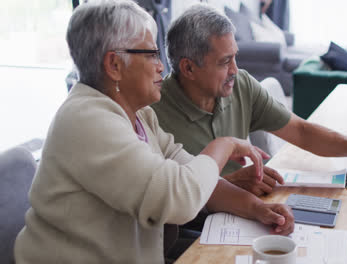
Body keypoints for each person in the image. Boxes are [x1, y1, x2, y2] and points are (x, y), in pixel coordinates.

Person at [14, 1, 294, 263]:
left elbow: (195, 179)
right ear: (114, 65)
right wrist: (224, 145)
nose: (162, 66)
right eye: (151, 54)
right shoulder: (86, 120)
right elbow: (178, 198)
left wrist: (258, 208)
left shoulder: (140, 114)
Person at [151, 4, 347, 197]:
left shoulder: (241, 84)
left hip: (250, 208)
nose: (235, 70)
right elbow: (163, 198)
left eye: (234, 57)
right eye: (224, 61)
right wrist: (230, 184)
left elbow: (301, 131)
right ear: (188, 69)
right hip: (199, 228)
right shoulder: (153, 112)